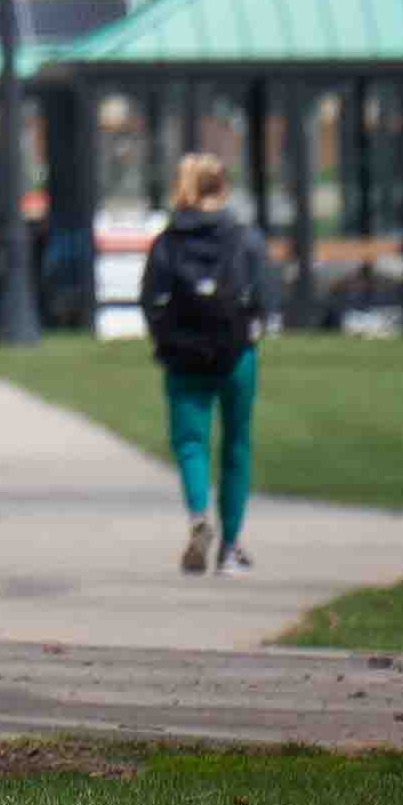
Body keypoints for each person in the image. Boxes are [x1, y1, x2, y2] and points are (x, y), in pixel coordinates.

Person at [137, 142, 272, 575]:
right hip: (236, 355)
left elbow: (150, 300)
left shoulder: (167, 242)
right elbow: (266, 298)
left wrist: (166, 337)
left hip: (183, 357)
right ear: (223, 188)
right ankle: (231, 548)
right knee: (236, 444)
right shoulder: (244, 238)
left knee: (191, 443)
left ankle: (199, 516)